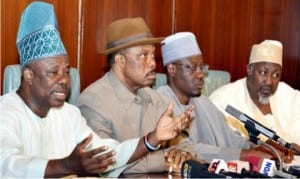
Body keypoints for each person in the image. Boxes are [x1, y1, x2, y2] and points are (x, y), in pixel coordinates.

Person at [0, 2, 192, 178]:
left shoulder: (69, 114)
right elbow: (7, 164)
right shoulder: (6, 112)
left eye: (67, 71)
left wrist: (152, 138)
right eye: (53, 72)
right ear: (28, 76)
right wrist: (66, 166)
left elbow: (105, 152)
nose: (65, 80)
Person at [76, 17, 196, 174]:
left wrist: (183, 153)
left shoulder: (154, 97)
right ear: (120, 60)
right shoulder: (93, 101)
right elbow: (105, 162)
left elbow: (182, 143)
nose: (153, 63)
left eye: (153, 55)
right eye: (143, 55)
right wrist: (165, 161)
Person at [156, 32, 275, 162]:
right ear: (172, 69)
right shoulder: (159, 103)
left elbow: (230, 137)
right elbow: (187, 149)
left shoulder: (202, 101)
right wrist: (242, 154)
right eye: (193, 68)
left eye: (202, 68)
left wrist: (260, 148)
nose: (201, 74)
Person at [209, 40, 300, 147]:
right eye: (263, 73)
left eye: (276, 75)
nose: (269, 81)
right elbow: (224, 144)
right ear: (249, 69)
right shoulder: (224, 99)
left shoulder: (288, 95)